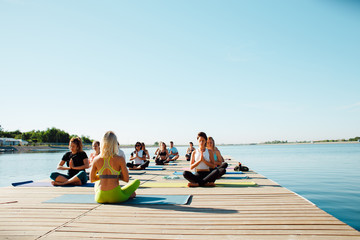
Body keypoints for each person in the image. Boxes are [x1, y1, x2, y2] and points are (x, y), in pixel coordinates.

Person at [90, 131, 140, 203]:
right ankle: (129, 194)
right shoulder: (120, 159)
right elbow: (126, 179)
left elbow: (92, 179)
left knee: (97, 183)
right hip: (116, 196)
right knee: (136, 182)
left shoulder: (96, 159)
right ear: (115, 144)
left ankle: (128, 194)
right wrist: (114, 176)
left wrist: (104, 176)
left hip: (100, 197)